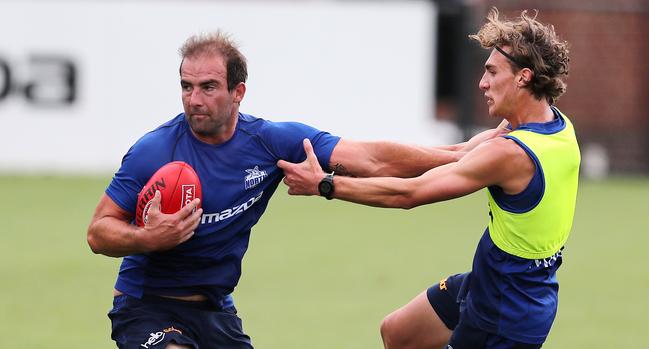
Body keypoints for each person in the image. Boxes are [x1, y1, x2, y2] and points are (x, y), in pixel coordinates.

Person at [86, 31, 508, 349]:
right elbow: (98, 231)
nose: (194, 98)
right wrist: (148, 238)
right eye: (186, 86)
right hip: (146, 306)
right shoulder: (154, 151)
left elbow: (371, 159)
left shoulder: (270, 143)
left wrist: (456, 154)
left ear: (238, 93)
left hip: (214, 310)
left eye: (208, 87)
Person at [278, 8, 578, 349]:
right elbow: (457, 154)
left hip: (505, 314)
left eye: (492, 72)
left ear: (523, 77)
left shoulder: (512, 154)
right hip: (491, 283)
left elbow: (410, 194)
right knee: (398, 333)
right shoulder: (551, 124)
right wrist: (352, 160)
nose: (482, 83)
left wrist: (325, 186)